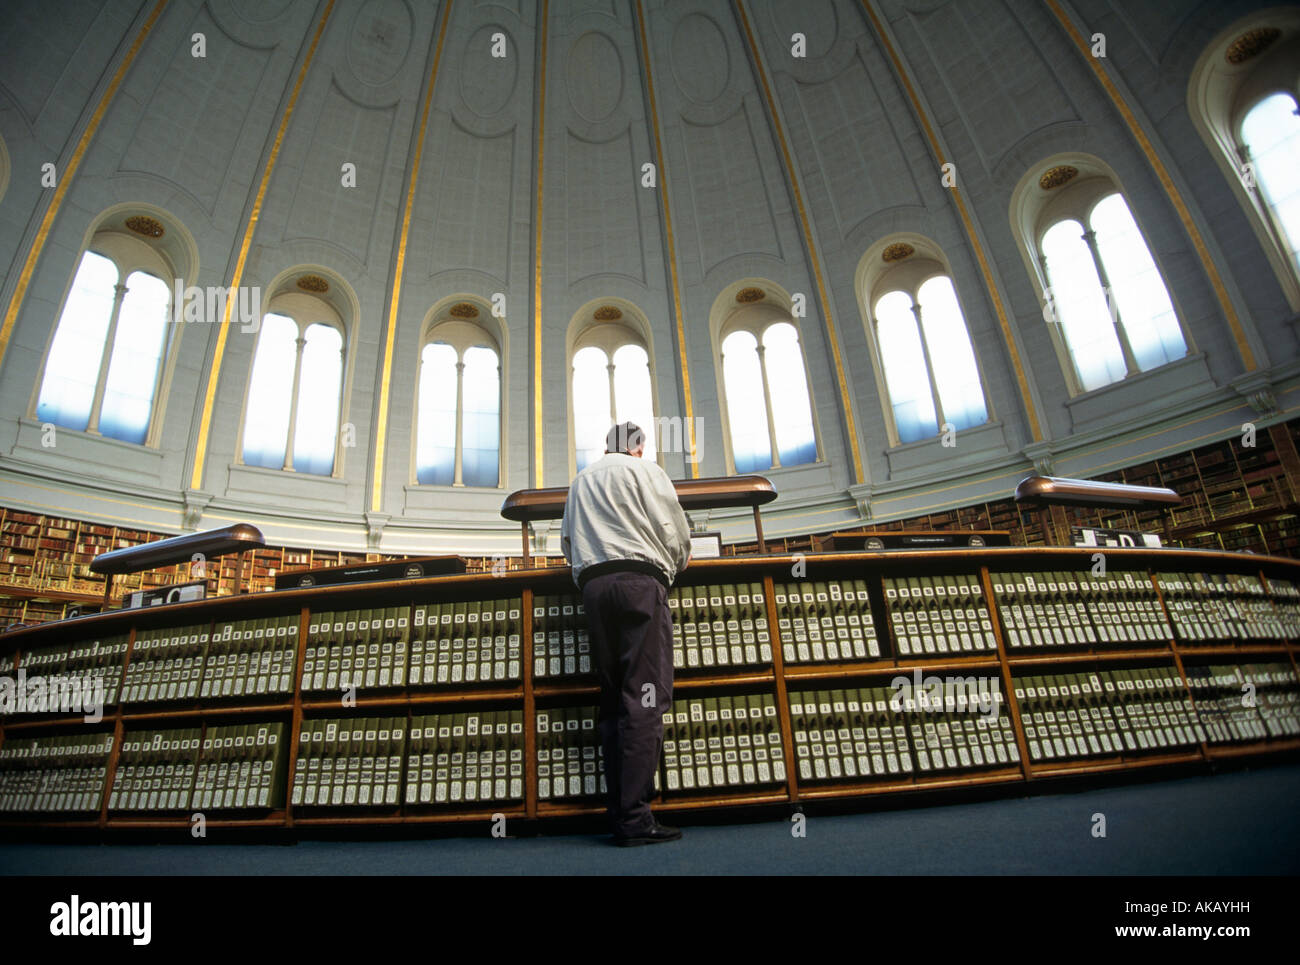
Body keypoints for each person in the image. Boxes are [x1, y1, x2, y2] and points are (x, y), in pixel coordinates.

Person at [560, 421, 692, 846]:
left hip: (596, 589)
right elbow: (673, 531)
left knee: (613, 697)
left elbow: (567, 543)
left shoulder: (581, 480)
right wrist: (677, 561)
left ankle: (618, 810)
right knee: (646, 696)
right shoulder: (646, 471)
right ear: (638, 447)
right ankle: (635, 820)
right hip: (640, 583)